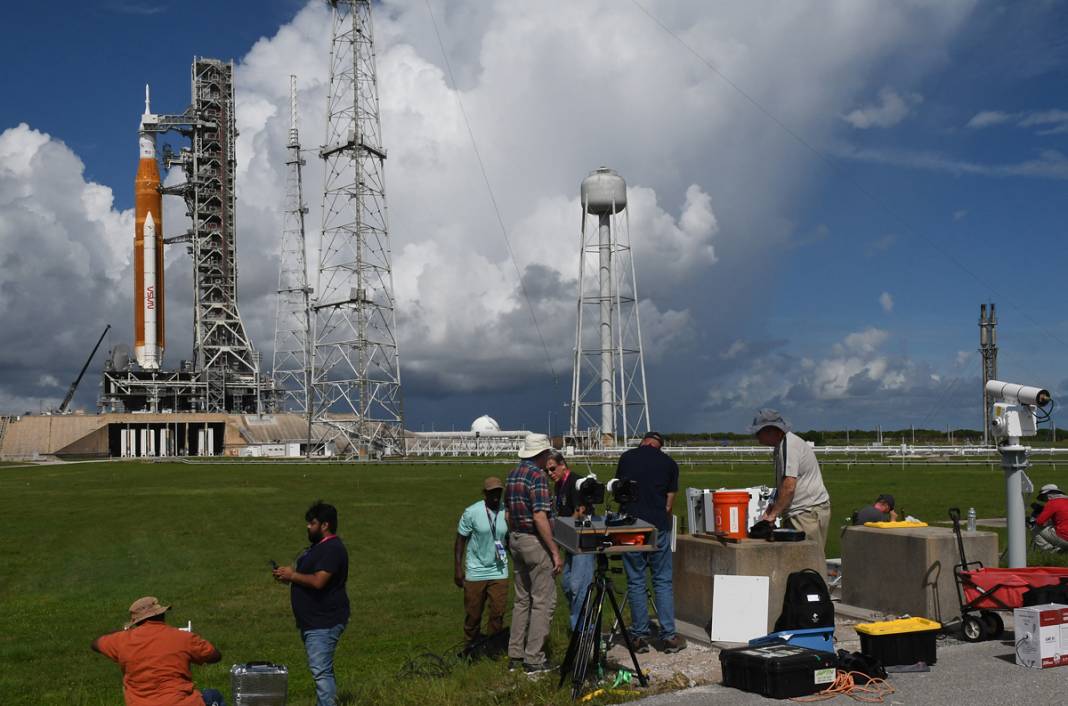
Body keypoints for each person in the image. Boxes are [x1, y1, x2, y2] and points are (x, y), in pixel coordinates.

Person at [273, 500, 350, 706]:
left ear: (325, 525)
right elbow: (305, 577)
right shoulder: (318, 548)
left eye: (312, 523)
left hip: (324, 621)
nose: (308, 526)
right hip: (314, 620)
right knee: (322, 670)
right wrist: (287, 576)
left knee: (321, 672)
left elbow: (318, 581)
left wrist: (292, 575)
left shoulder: (332, 549)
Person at [615, 431, 685, 653]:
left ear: (643, 442)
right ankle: (669, 636)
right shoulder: (669, 463)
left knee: (636, 580)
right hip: (658, 525)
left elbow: (619, 490)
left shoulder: (627, 457)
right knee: (662, 580)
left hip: (631, 525)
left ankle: (638, 636)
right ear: (659, 446)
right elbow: (669, 503)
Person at [91, 596, 227, 706]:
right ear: (161, 615)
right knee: (213, 695)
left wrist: (123, 634)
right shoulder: (182, 638)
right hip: (181, 702)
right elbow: (215, 656)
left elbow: (95, 644)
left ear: (136, 621)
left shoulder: (121, 640)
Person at [504, 432, 563, 675]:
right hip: (534, 540)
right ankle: (534, 658)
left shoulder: (513, 474)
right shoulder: (537, 476)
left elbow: (507, 513)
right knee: (543, 601)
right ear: (542, 454)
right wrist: (554, 551)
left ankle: (515, 654)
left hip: (515, 537)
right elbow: (540, 516)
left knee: (521, 599)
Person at [751, 409, 832, 571]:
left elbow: (789, 486)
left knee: (808, 564)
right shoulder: (784, 445)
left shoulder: (789, 446)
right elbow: (784, 483)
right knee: (802, 565)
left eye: (758, 433)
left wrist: (772, 516)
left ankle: (814, 595)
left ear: (771, 430)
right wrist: (774, 505)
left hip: (806, 512)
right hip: (805, 510)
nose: (756, 438)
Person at [454, 476, 510, 646]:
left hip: (499, 569)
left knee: (498, 611)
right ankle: (471, 644)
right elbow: (460, 541)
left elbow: (510, 538)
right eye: (492, 492)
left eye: (498, 492)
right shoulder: (472, 512)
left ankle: (493, 645)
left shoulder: (505, 511)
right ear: (484, 493)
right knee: (474, 613)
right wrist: (458, 568)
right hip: (476, 569)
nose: (496, 496)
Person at [546, 450, 594, 631]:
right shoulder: (559, 485)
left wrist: (563, 533)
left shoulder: (575, 482)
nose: (550, 473)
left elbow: (580, 512)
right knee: (567, 584)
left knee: (578, 587)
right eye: (547, 471)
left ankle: (581, 631)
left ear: (562, 465)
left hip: (582, 540)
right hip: (570, 541)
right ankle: (580, 621)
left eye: (552, 469)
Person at [1033, 484, 1068, 553]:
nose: (1044, 500)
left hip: (1065, 538)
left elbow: (1039, 522)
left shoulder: (1052, 503)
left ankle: (1053, 550)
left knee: (1034, 527)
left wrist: (1035, 516)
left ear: (1049, 494)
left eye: (1044, 497)